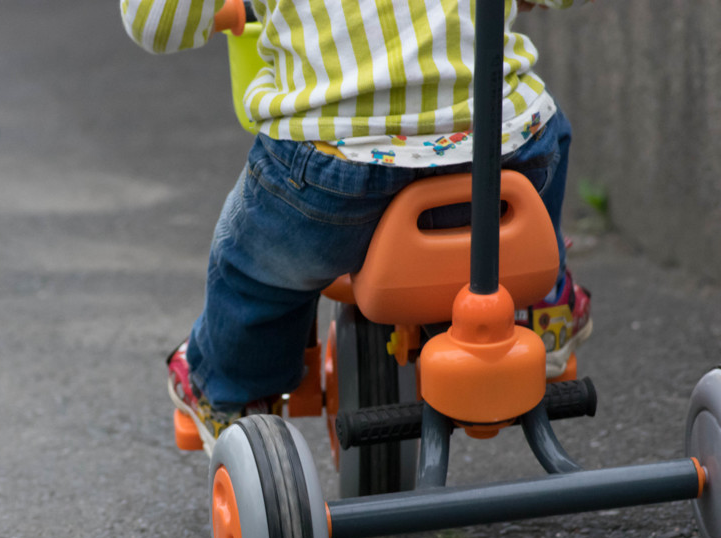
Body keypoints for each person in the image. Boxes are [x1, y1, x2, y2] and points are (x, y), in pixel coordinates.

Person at [121, 0, 593, 453]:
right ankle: (535, 306)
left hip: (336, 163)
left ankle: (232, 390)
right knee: (535, 141)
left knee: (256, 273)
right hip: (503, 149)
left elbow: (157, 24)